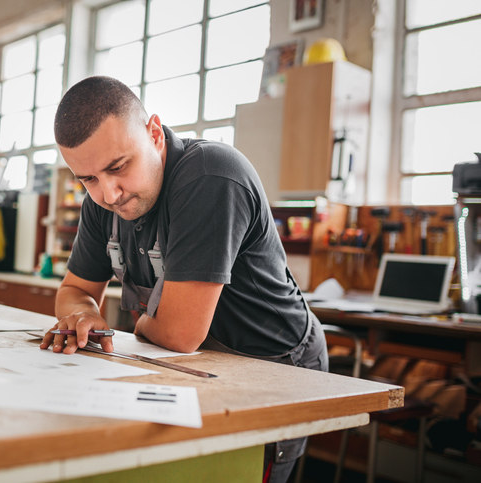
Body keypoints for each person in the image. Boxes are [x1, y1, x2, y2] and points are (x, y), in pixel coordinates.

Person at [40, 76, 328, 483]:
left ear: (154, 134)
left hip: (272, 362)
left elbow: (179, 334)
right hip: (196, 364)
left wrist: (135, 323)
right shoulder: (102, 200)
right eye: (87, 179)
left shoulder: (210, 177)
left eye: (118, 167)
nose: (109, 193)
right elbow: (74, 290)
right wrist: (84, 316)